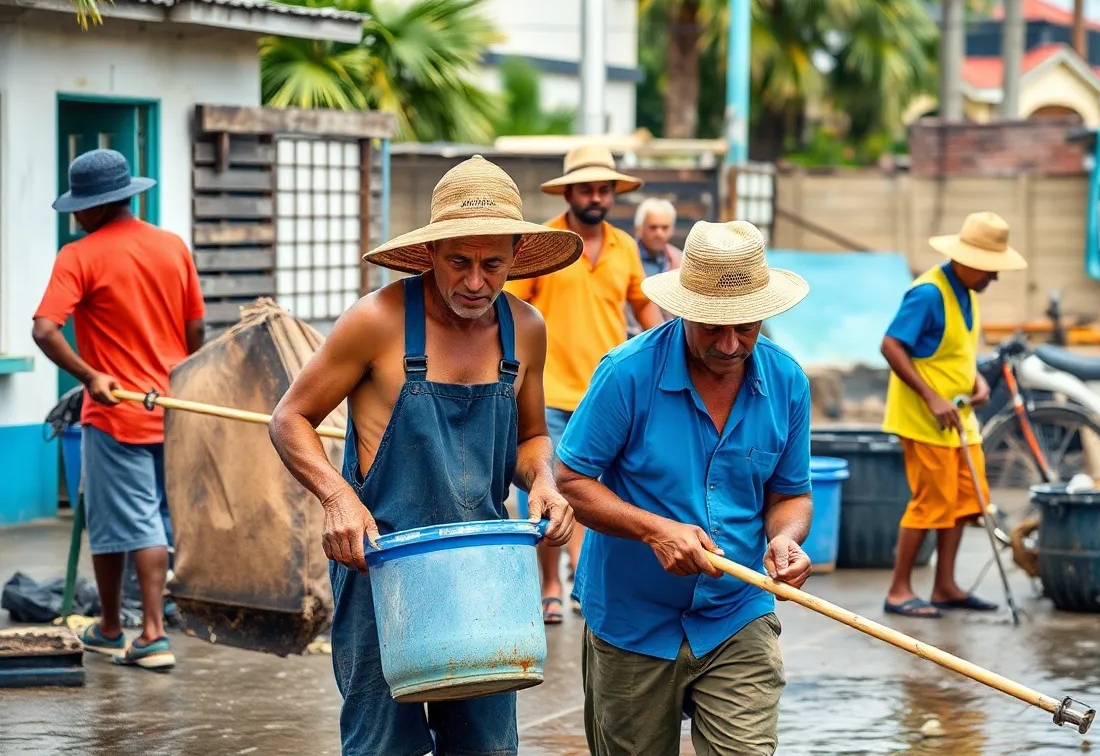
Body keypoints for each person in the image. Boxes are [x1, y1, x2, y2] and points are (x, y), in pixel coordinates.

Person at [268, 155, 578, 756]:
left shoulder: (526, 328)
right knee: (384, 745)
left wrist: (544, 481)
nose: (475, 282)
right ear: (431, 252)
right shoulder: (376, 321)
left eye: (492, 264)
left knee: (486, 746)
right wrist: (338, 498)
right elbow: (289, 419)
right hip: (383, 566)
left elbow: (533, 437)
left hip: (484, 571)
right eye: (459, 261)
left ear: (516, 254)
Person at [555, 220, 813, 756]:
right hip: (632, 619)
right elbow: (572, 481)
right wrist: (654, 530)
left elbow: (791, 495)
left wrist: (785, 539)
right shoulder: (626, 373)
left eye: (745, 327)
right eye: (713, 328)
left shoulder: (787, 381)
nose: (730, 344)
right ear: (684, 310)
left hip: (737, 612)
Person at [33, 148, 206, 670]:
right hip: (169, 409)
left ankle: (152, 635)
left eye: (79, 207)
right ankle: (109, 628)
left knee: (141, 522)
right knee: (111, 523)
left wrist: (90, 377)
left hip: (117, 415)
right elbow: (196, 328)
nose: (75, 217)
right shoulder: (172, 246)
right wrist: (179, 378)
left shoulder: (79, 255)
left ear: (97, 205)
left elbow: (44, 329)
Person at [504, 144, 663, 624]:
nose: (596, 197)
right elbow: (511, 309)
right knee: (546, 488)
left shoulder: (625, 247)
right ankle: (551, 585)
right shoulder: (544, 244)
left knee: (600, 492)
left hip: (608, 395)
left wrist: (665, 352)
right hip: (547, 390)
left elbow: (643, 306)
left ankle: (584, 579)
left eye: (604, 189)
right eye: (587, 189)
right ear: (568, 193)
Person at [880, 211, 1027, 618]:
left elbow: (955, 352)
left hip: (960, 417)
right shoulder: (928, 294)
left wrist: (976, 380)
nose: (994, 277)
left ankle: (944, 585)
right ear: (966, 259)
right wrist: (931, 397)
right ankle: (899, 590)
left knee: (965, 500)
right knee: (930, 503)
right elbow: (891, 345)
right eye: (989, 268)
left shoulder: (967, 292)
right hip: (925, 418)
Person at [626, 197, 683, 337]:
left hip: (668, 339)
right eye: (653, 227)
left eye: (665, 227)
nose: (659, 233)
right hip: (629, 339)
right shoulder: (624, 256)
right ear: (639, 228)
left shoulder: (679, 260)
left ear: (672, 229)